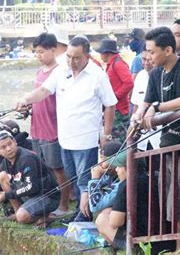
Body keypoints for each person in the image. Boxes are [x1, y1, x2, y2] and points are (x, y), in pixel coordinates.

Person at [16, 35, 117, 212]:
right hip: (65, 138)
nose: (72, 61)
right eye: (69, 56)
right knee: (71, 178)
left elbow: (110, 105)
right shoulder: (61, 71)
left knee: (84, 180)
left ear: (87, 56)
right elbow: (43, 91)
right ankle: (79, 210)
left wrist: (106, 135)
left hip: (86, 140)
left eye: (76, 57)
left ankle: (83, 214)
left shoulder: (97, 75)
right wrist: (25, 99)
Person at [131, 26, 180, 246]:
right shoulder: (154, 75)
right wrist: (137, 118)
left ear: (169, 49)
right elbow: (145, 105)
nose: (148, 57)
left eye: (152, 52)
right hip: (166, 145)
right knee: (170, 202)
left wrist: (158, 107)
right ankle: (177, 246)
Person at [30, 32, 70, 217]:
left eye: (41, 52)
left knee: (58, 169)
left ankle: (64, 205)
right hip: (37, 127)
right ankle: (52, 201)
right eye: (36, 52)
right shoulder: (40, 72)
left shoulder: (60, 72)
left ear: (53, 50)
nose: (38, 55)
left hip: (52, 128)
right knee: (45, 168)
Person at [0, 131, 60, 225]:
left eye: (10, 144)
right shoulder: (5, 162)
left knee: (21, 217)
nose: (9, 149)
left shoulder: (27, 158)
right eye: (3, 147)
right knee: (2, 176)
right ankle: (18, 211)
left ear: (15, 142)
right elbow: (0, 182)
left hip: (47, 196)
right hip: (29, 194)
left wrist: (6, 195)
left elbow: (32, 187)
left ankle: (45, 217)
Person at [95, 150, 149, 250]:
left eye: (119, 167)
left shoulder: (125, 185)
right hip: (163, 237)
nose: (116, 170)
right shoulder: (154, 178)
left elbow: (115, 222)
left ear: (128, 169)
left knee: (101, 220)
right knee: (107, 212)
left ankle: (133, 250)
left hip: (142, 241)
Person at [96, 38, 134, 142]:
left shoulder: (118, 64)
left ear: (106, 53)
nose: (100, 56)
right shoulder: (113, 64)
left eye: (101, 53)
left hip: (119, 110)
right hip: (115, 109)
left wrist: (114, 97)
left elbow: (129, 83)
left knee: (118, 141)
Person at [75, 140, 122, 222]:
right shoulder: (110, 173)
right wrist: (85, 192)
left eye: (103, 160)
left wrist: (95, 177)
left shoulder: (121, 182)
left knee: (104, 212)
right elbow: (101, 182)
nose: (100, 164)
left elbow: (95, 206)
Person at [130, 49, 161, 151]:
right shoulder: (140, 76)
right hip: (142, 135)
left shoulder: (162, 75)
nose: (146, 63)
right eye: (143, 59)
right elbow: (136, 105)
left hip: (159, 131)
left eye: (149, 59)